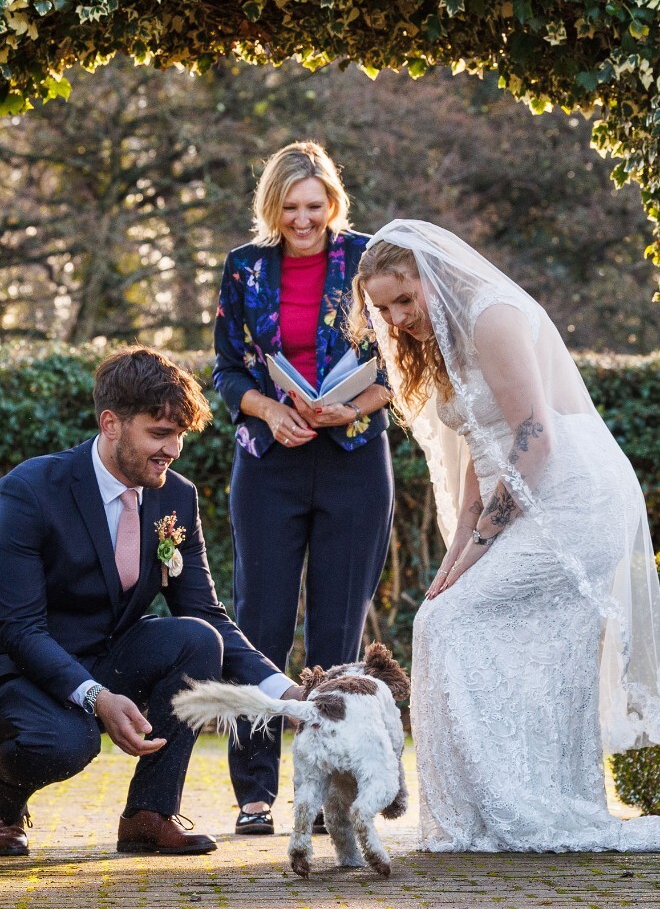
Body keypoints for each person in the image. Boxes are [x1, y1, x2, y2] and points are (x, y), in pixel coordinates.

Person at [349, 218, 660, 852]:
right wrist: (455, 558)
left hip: (574, 496)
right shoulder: (442, 341)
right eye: (383, 308)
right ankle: (493, 812)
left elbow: (534, 439)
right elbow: (476, 464)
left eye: (406, 299)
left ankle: (535, 806)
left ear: (433, 275)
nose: (398, 318)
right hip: (522, 491)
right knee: (441, 614)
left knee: (449, 624)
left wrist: (484, 547)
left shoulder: (492, 317)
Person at [0, 346, 302, 858]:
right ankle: (4, 805)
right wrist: (95, 697)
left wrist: (284, 691)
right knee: (66, 744)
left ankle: (149, 813)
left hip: (106, 655)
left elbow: (206, 612)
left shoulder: (175, 498)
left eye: (180, 435)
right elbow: (19, 628)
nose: (174, 449)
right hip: (24, 668)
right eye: (160, 434)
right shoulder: (31, 490)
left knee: (195, 638)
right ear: (111, 424)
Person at [213, 141, 394, 834]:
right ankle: (254, 795)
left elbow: (402, 356)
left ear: (333, 203)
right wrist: (270, 408)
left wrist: (355, 405)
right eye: (289, 207)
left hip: (351, 457)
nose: (303, 219)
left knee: (336, 635)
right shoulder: (244, 268)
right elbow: (228, 369)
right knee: (257, 623)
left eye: (314, 206)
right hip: (269, 462)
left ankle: (327, 797)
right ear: (272, 206)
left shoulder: (368, 259)